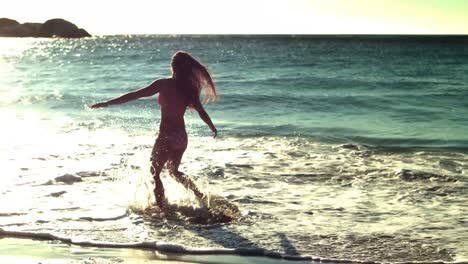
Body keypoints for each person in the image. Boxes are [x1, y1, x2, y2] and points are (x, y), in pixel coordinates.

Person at [91, 51, 218, 208]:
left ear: (173, 67)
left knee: (155, 173)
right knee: (174, 172)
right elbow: (201, 112)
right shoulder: (189, 89)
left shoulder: (163, 84)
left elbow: (135, 95)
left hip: (167, 136)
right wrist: (212, 127)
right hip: (181, 137)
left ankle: (162, 209)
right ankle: (200, 196)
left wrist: (107, 103)